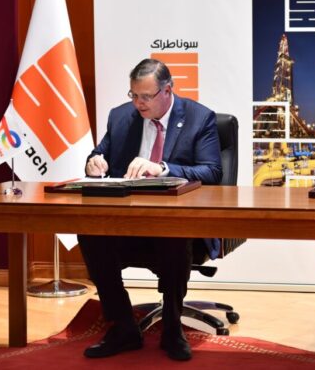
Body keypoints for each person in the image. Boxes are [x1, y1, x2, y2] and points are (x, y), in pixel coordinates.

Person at [78, 58, 222, 361]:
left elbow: (212, 171)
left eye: (146, 96)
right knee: (90, 233)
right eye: (134, 95)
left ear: (167, 90)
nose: (138, 103)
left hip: (177, 224)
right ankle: (123, 326)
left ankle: (172, 326)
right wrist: (94, 162)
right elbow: (99, 153)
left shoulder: (199, 118)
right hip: (130, 222)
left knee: (173, 234)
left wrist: (163, 168)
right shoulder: (121, 117)